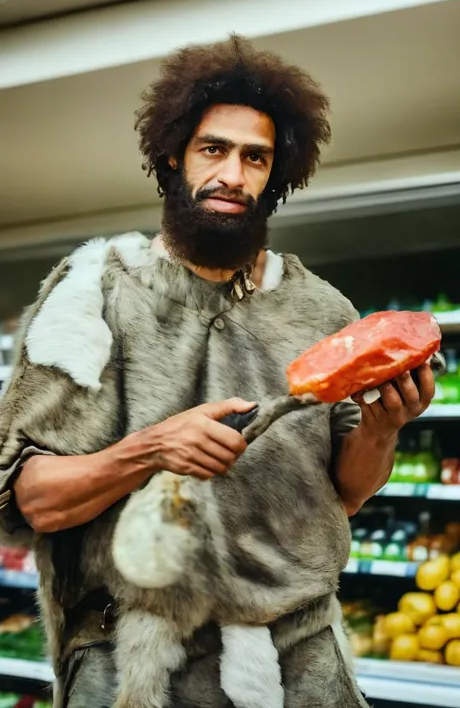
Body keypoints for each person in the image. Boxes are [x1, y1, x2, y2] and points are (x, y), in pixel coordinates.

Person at [0, 35, 434, 708]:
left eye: (254, 157)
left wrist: (383, 425)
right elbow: (28, 498)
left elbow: (348, 493)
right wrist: (151, 448)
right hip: (134, 667)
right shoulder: (93, 294)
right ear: (174, 154)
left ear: (276, 174)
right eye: (214, 149)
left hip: (301, 660)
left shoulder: (322, 308)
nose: (233, 174)